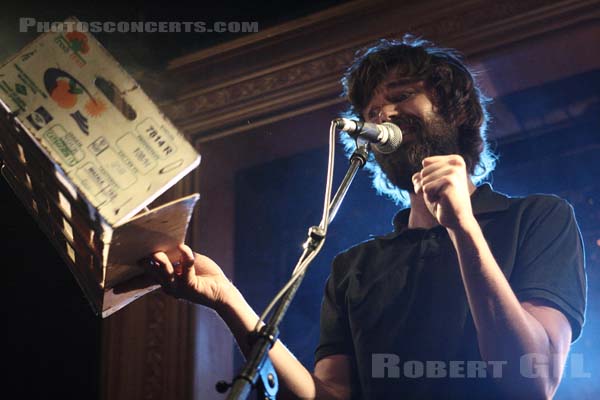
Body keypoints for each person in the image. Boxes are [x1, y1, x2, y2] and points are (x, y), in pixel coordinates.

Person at [141, 37, 587, 399]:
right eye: (371, 112)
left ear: (458, 112)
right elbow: (328, 396)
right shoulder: (355, 267)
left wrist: (463, 227)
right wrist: (226, 300)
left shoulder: (538, 218)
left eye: (402, 96)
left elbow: (533, 380)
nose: (383, 115)